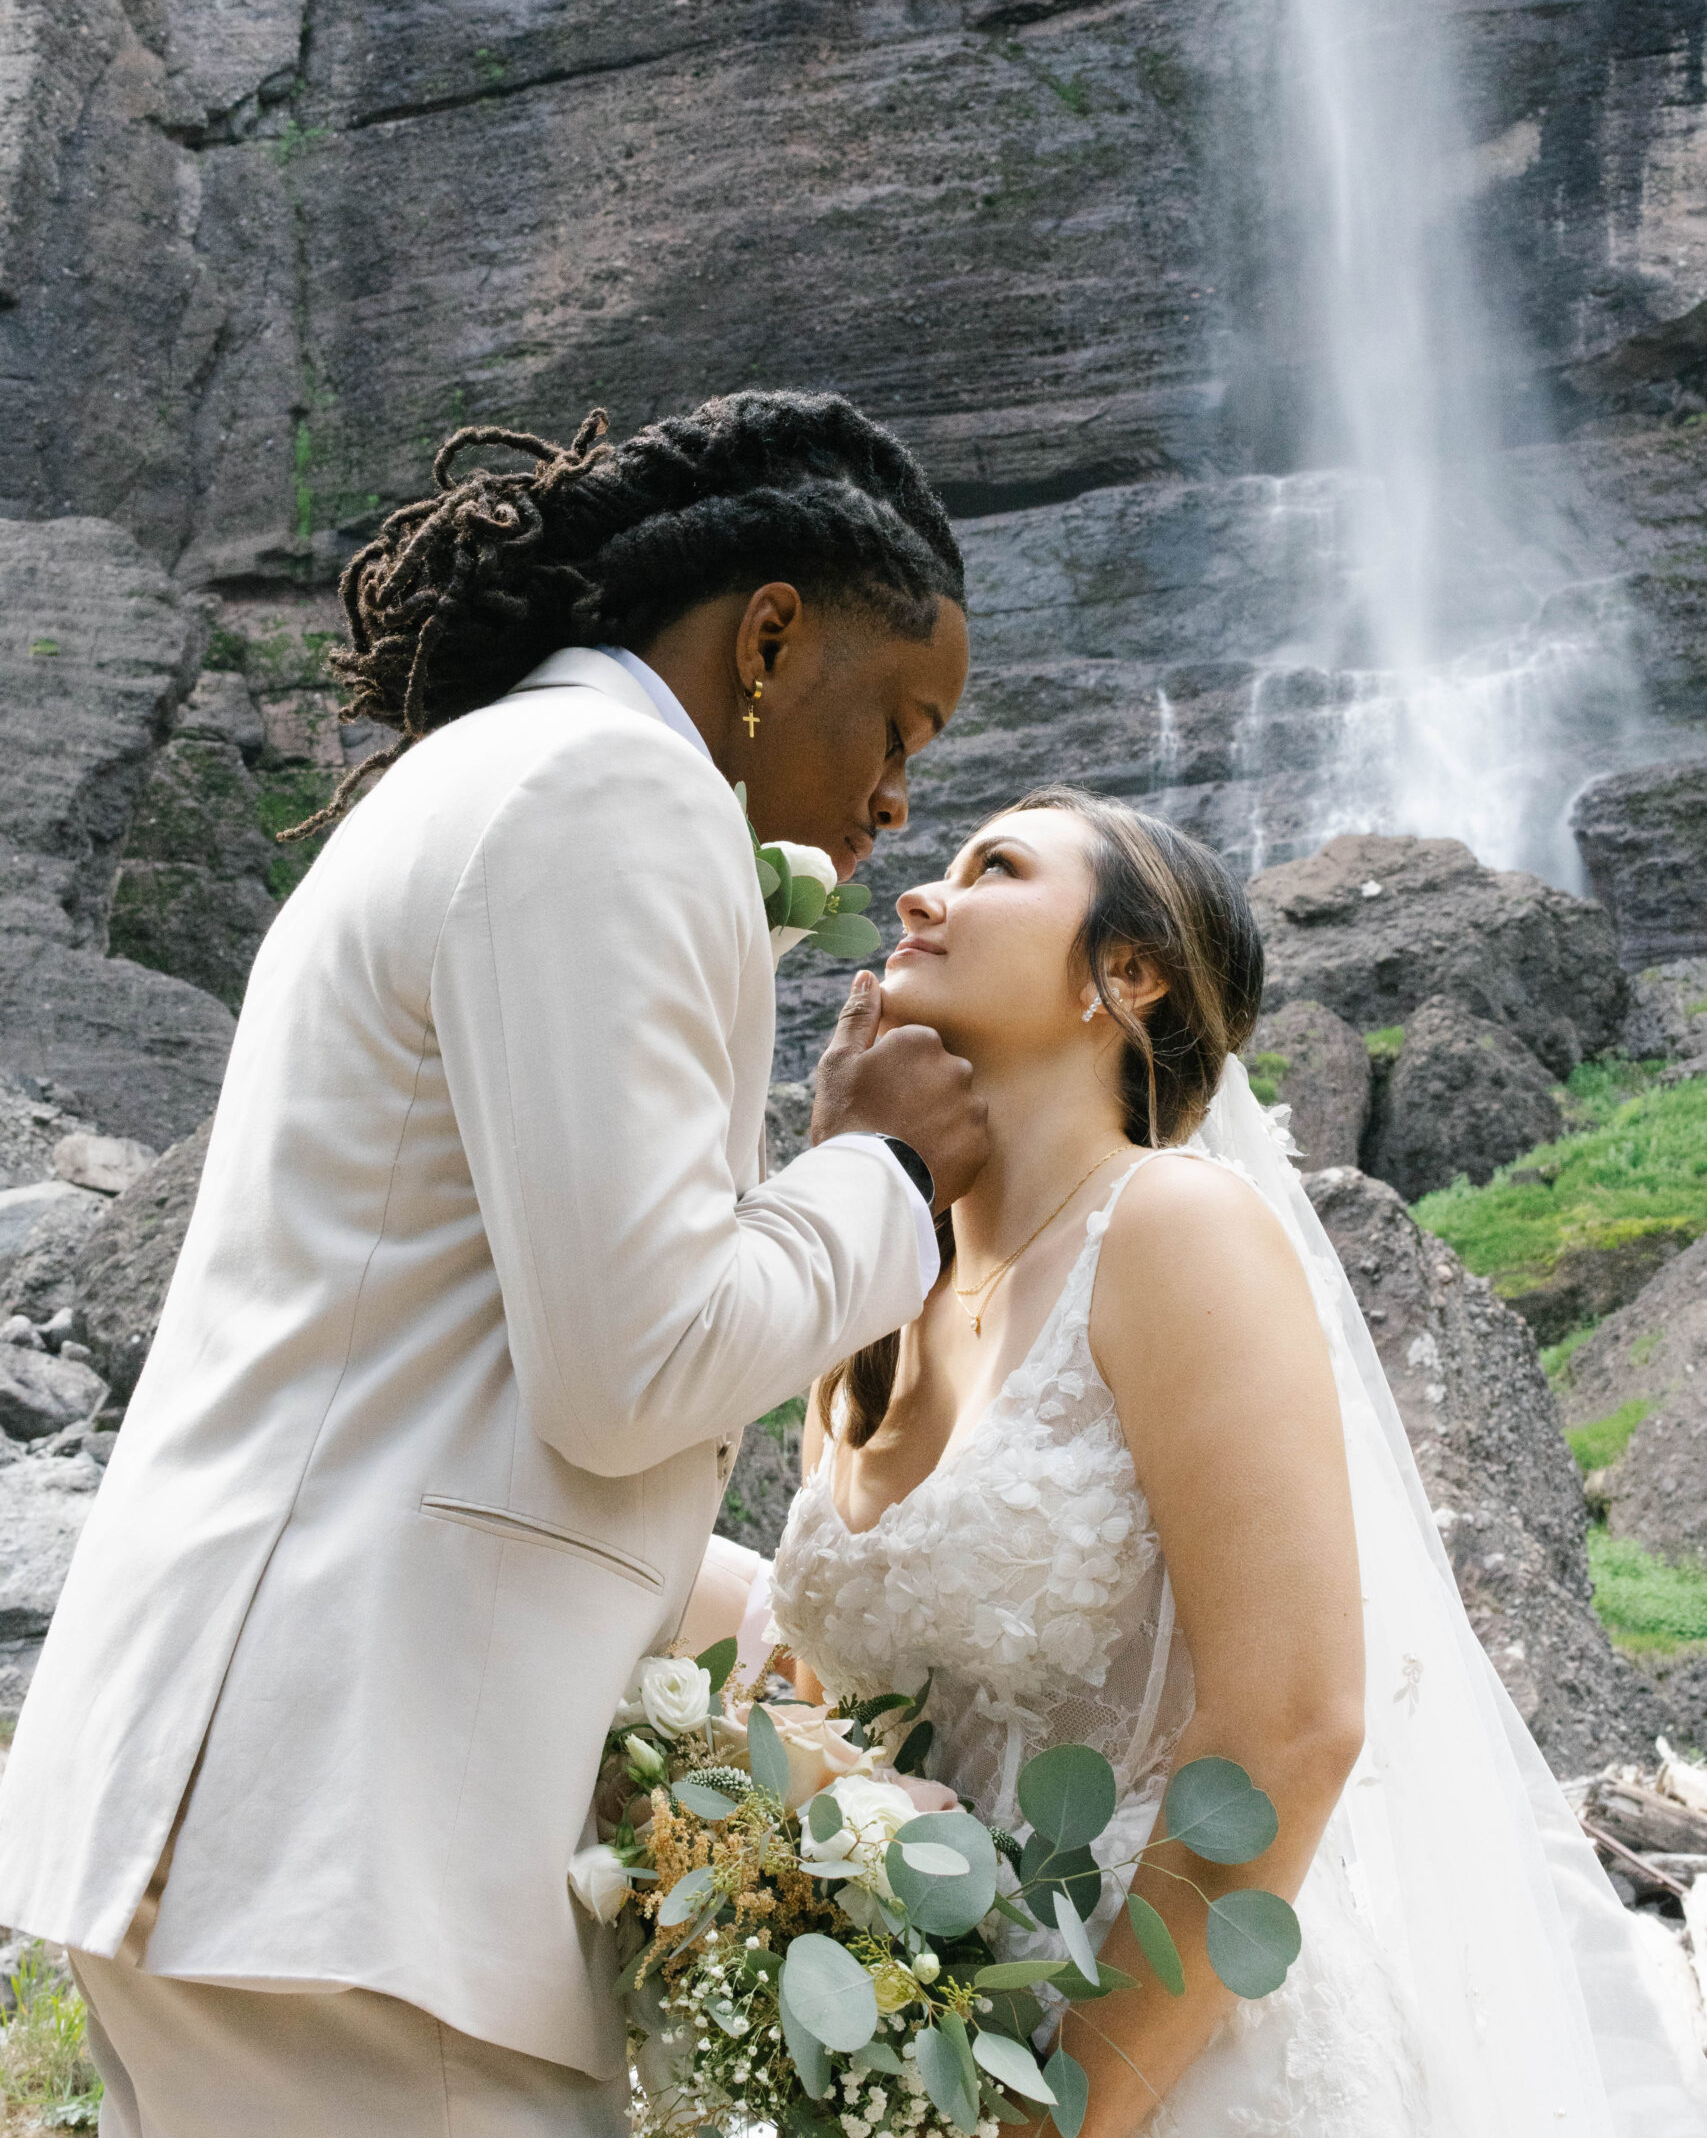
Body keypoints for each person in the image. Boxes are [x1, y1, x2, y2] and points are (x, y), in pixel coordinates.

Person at [0, 391, 990, 2137]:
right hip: (348, 1821)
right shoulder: (608, 792)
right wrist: (885, 1175)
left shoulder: (508, 770)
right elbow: (634, 1375)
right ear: (769, 635)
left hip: (285, 1810)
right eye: (899, 724)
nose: (901, 801)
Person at [768, 787, 1707, 2134]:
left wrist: (1062, 2109)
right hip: (894, 2045)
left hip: (1160, 2045)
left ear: (1127, 975)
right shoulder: (881, 1285)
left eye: (997, 868)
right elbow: (803, 1692)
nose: (920, 895)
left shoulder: (1172, 1232)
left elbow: (1291, 1730)